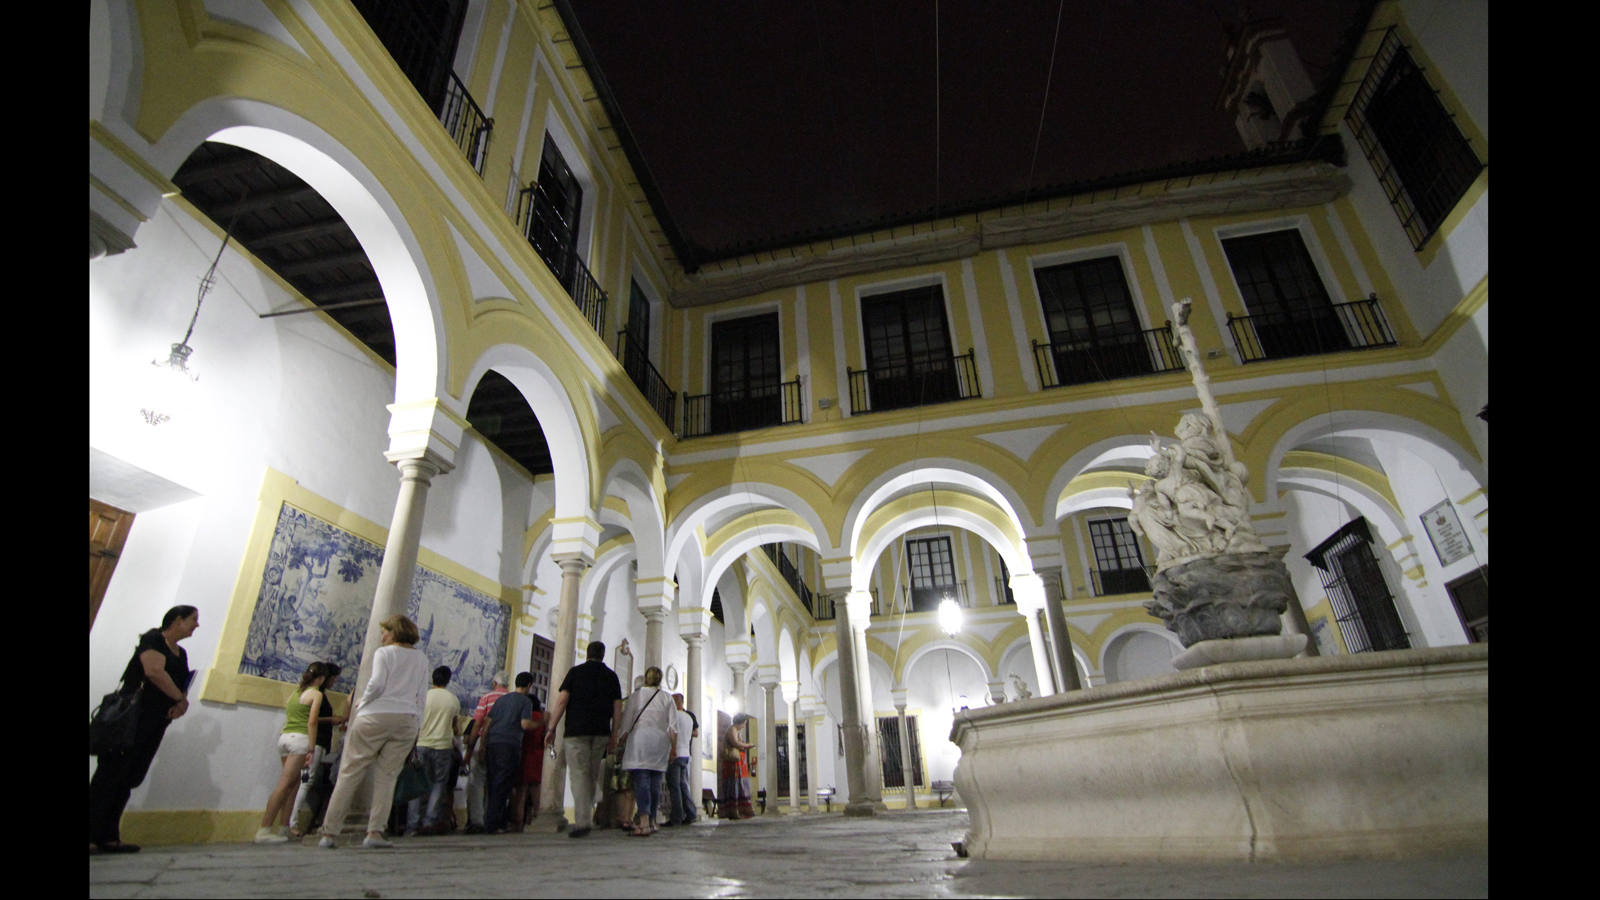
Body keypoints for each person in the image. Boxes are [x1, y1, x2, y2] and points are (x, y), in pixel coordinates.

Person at [90, 605, 199, 854]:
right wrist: (179, 699)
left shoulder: (181, 654)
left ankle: (108, 835)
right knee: (109, 775)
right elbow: (154, 671)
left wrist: (180, 703)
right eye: (193, 619)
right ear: (177, 620)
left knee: (129, 776)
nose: (196, 625)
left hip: (155, 720)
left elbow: (181, 684)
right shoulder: (153, 639)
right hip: (132, 717)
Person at [317, 614, 429, 850]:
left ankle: (329, 832)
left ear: (395, 632)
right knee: (388, 777)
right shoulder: (421, 658)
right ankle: (375, 832)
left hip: (375, 716)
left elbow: (377, 683)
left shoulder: (384, 653)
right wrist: (416, 722)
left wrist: (362, 702)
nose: (383, 635)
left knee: (350, 772)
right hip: (406, 719)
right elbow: (421, 695)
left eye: (386, 631)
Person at [543, 641, 623, 838]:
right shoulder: (611, 676)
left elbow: (562, 700)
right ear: (603, 655)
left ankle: (582, 821)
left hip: (576, 731)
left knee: (579, 774)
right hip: (601, 732)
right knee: (591, 773)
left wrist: (551, 728)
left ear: (587, 654)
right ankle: (588, 811)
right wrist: (614, 735)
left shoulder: (575, 673)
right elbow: (617, 709)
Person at [255, 662, 329, 843]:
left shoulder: (296, 693)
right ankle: (264, 829)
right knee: (284, 785)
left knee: (294, 784)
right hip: (300, 742)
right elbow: (312, 722)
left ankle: (284, 827)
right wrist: (311, 748)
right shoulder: (316, 694)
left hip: (285, 739)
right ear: (321, 679)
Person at [617, 666, 676, 837]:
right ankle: (652, 820)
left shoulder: (636, 696)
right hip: (659, 742)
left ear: (646, 679)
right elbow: (673, 727)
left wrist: (620, 740)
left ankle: (643, 821)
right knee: (656, 782)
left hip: (640, 741)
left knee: (642, 780)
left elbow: (627, 723)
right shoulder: (667, 698)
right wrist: (673, 748)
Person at [289, 662, 347, 837]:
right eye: (334, 679)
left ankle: (291, 819)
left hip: (309, 743)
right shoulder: (317, 695)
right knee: (305, 781)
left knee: (301, 781)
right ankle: (292, 821)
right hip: (314, 745)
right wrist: (331, 719)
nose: (334, 682)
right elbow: (313, 719)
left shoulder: (306, 692)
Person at [406, 665, 461, 836]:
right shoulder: (453, 700)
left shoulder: (424, 697)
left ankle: (412, 825)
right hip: (443, 747)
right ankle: (429, 822)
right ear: (448, 680)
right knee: (438, 784)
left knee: (417, 785)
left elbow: (414, 720)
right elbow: (456, 728)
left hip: (422, 744)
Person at [482, 672, 538, 834]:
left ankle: (491, 820)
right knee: (503, 784)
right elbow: (525, 724)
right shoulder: (525, 701)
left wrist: (483, 746)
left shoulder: (502, 699)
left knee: (493, 783)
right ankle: (493, 824)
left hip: (493, 743)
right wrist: (542, 722)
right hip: (509, 745)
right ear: (529, 686)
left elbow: (487, 723)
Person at [460, 672, 509, 834]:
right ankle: (493, 820)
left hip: (484, 742)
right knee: (496, 783)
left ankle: (477, 820)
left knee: (476, 782)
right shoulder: (512, 699)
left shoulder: (487, 698)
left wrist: (470, 750)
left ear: (495, 683)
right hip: (504, 745)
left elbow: (477, 724)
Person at [509, 691, 546, 832]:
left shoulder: (525, 717)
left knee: (521, 791)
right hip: (538, 755)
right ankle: (538, 819)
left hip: (525, 754)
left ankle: (518, 822)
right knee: (536, 791)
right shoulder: (541, 718)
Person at [663, 692, 699, 826]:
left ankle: (676, 817)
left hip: (675, 753)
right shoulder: (689, 717)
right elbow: (693, 734)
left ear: (675, 702)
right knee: (683, 785)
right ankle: (691, 813)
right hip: (686, 754)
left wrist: (671, 751)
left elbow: (672, 734)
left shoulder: (674, 716)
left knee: (674, 786)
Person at [718, 713, 757, 820]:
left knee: (741, 785)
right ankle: (733, 810)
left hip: (740, 764)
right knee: (734, 785)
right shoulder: (732, 730)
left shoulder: (737, 731)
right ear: (741, 722)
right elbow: (735, 743)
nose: (744, 725)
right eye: (744, 723)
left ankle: (743, 809)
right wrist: (748, 745)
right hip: (733, 764)